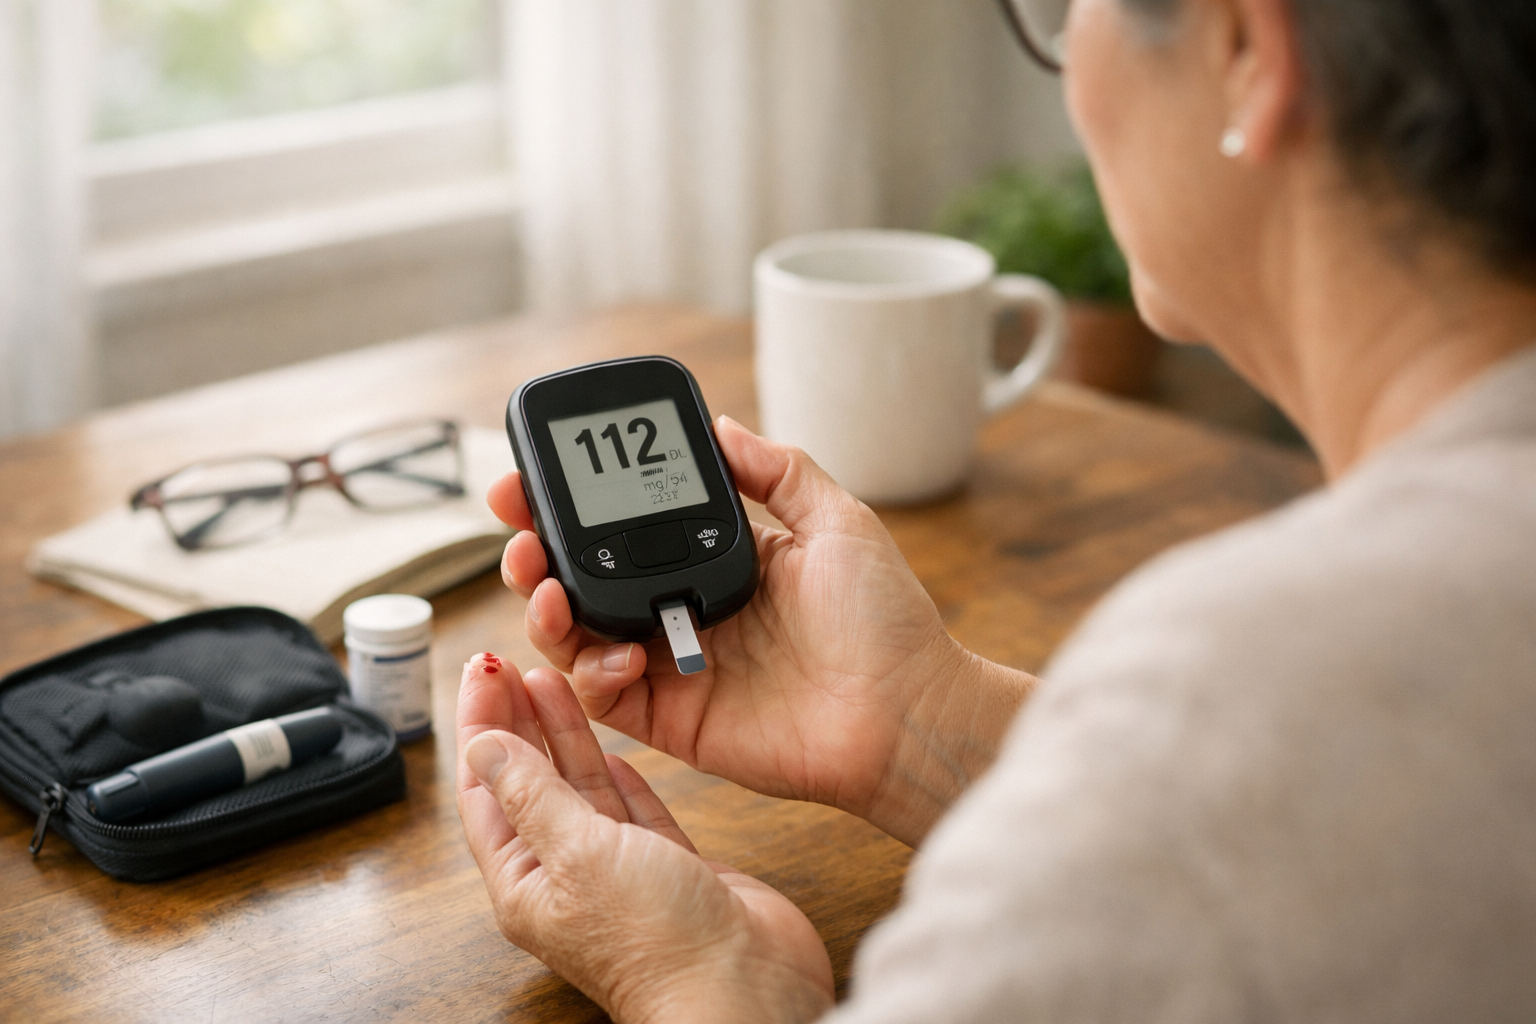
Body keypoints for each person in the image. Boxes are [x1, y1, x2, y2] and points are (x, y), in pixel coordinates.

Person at [456, 0, 1536, 1020]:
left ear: (1247, 45)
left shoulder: (1241, 687)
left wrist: (696, 972)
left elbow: (1229, 800)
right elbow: (1303, 850)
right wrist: (915, 723)